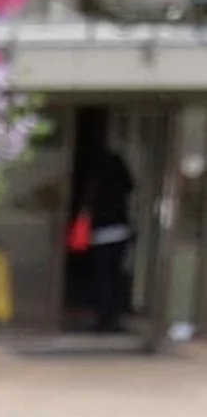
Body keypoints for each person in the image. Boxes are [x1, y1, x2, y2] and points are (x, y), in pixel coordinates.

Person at [85, 142, 137, 333]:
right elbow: (131, 190)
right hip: (120, 232)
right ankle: (115, 316)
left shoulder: (97, 183)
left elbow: (89, 206)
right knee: (116, 277)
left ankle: (102, 316)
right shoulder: (122, 183)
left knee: (102, 278)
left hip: (101, 234)